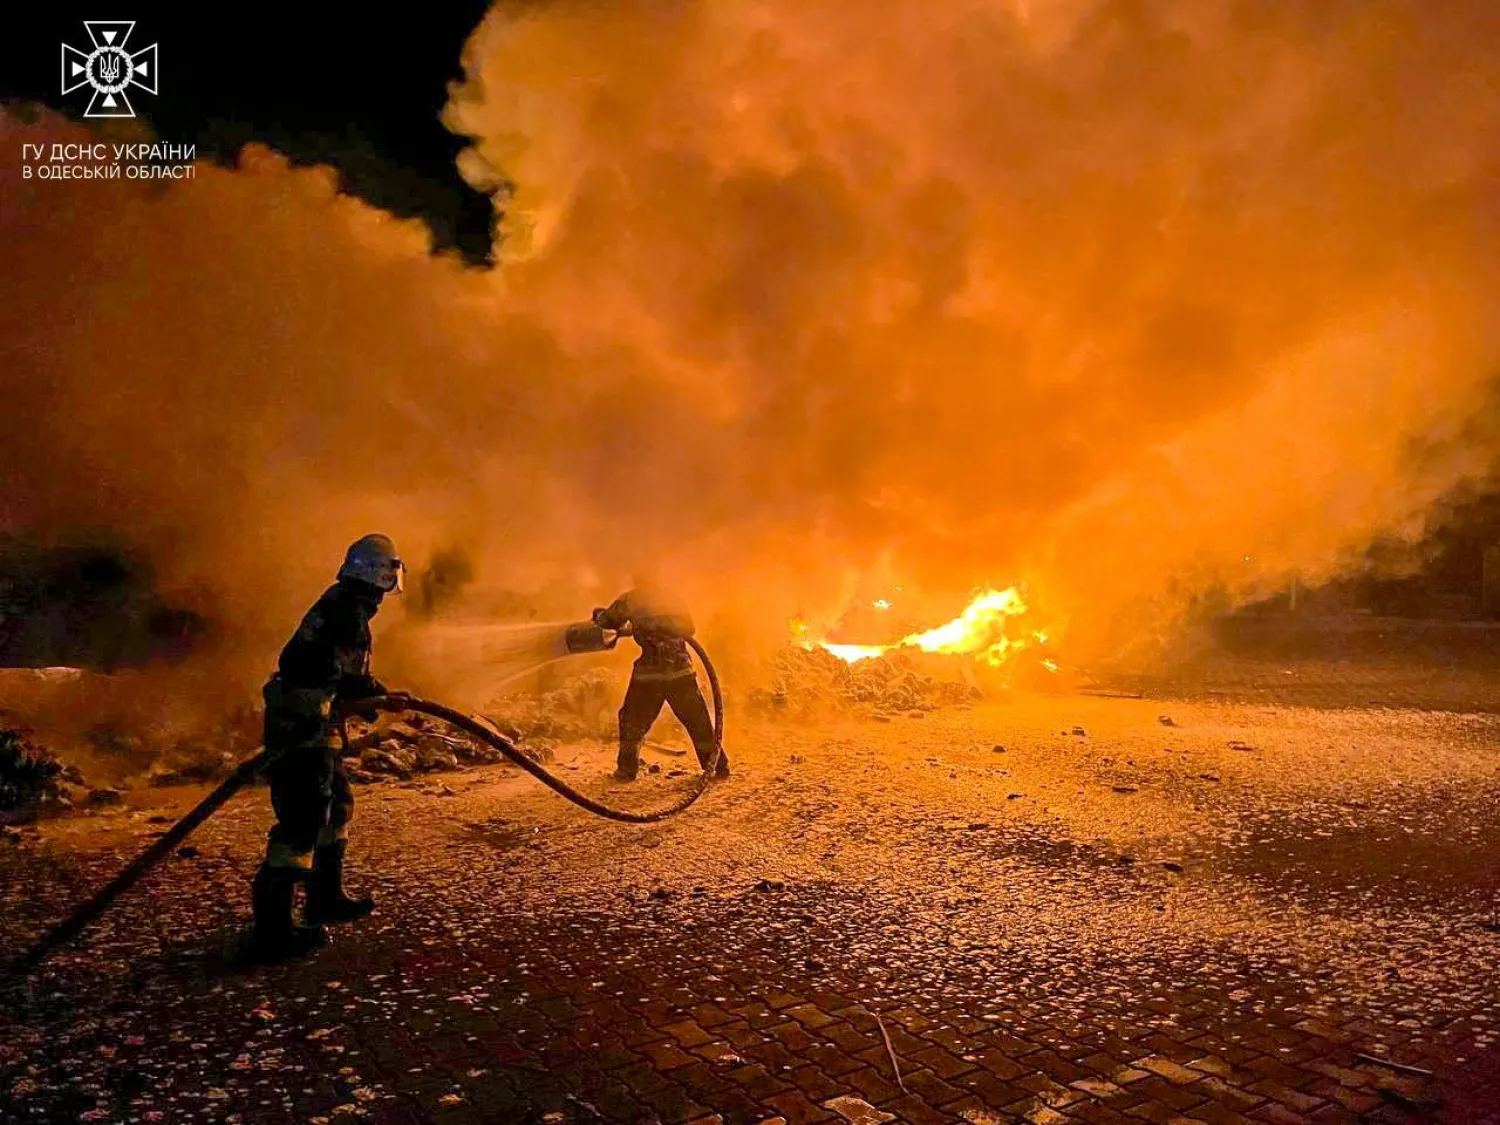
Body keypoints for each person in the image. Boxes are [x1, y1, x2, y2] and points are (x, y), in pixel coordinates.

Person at [246, 534, 411, 962]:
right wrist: (382, 698)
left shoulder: (347, 603)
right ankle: (273, 929)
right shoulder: (349, 612)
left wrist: (380, 695)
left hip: (318, 720)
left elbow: (343, 674)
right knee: (302, 819)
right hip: (300, 725)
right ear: (382, 574)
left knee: (335, 805)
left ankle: (325, 897)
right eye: (390, 573)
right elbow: (351, 679)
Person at [592, 576, 729, 783]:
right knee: (697, 721)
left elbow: (606, 622)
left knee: (632, 721)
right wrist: (654, 626)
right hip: (681, 671)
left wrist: (599, 613)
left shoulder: (632, 599)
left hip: (650, 675)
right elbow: (689, 629)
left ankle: (626, 770)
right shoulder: (672, 597)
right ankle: (718, 766)